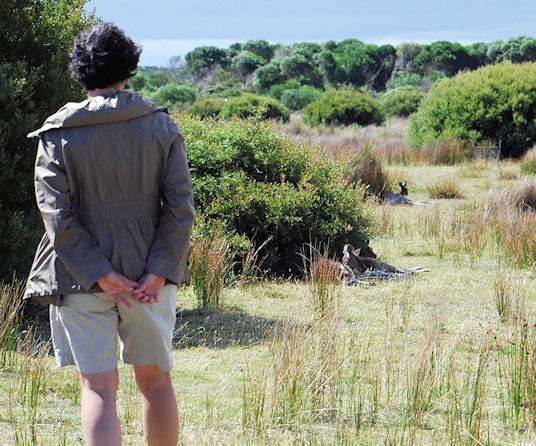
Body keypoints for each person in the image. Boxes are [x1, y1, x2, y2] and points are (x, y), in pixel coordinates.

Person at [24, 22, 194, 446]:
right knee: (155, 384)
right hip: (148, 280)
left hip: (80, 278)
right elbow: (180, 207)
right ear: (129, 67)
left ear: (79, 72)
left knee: (98, 389)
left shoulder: (56, 133)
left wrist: (100, 274)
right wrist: (158, 271)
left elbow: (56, 217)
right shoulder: (160, 125)